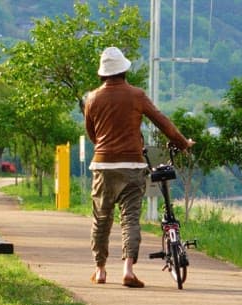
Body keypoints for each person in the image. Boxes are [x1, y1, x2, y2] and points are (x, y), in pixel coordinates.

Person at [83, 46, 195, 288]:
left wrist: (106, 149)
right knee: (130, 218)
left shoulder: (92, 98)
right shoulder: (137, 95)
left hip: (102, 166)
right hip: (132, 165)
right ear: (124, 70)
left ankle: (100, 270)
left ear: (102, 74)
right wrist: (183, 143)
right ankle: (127, 269)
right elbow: (162, 122)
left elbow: (91, 133)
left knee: (101, 219)